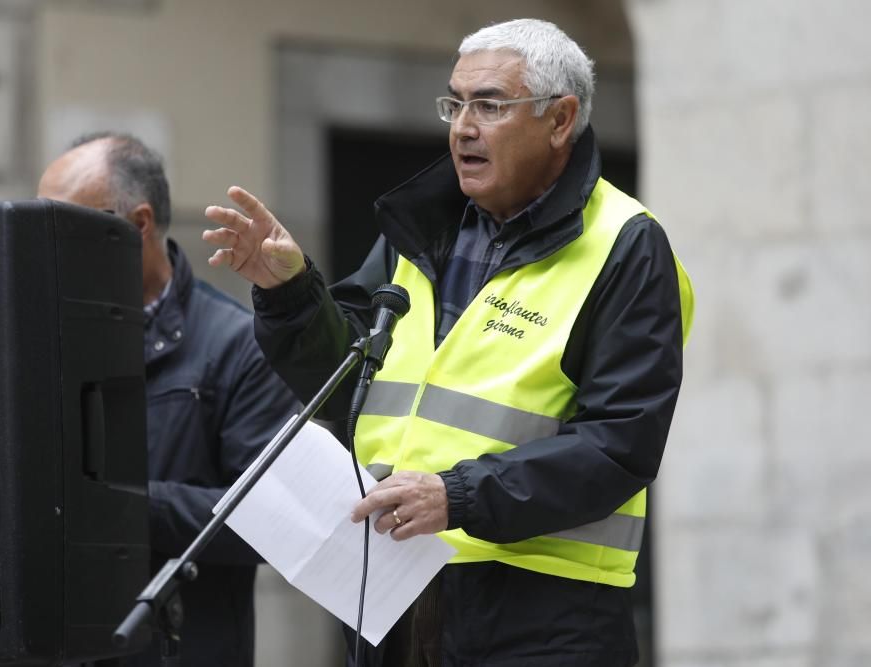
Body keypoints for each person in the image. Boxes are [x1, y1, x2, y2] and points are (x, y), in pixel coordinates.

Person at [203, 17, 694, 667]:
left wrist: (457, 495)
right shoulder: (424, 229)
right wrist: (291, 293)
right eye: (455, 103)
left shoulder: (626, 244)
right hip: (393, 592)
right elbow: (352, 383)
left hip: (546, 615)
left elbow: (619, 446)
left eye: (489, 104)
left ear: (559, 119)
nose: (462, 126)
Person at [38, 133, 299, 667]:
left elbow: (270, 520)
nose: (46, 248)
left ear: (137, 225)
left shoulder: (238, 345)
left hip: (177, 649)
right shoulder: (35, 339)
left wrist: (121, 505)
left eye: (63, 228)